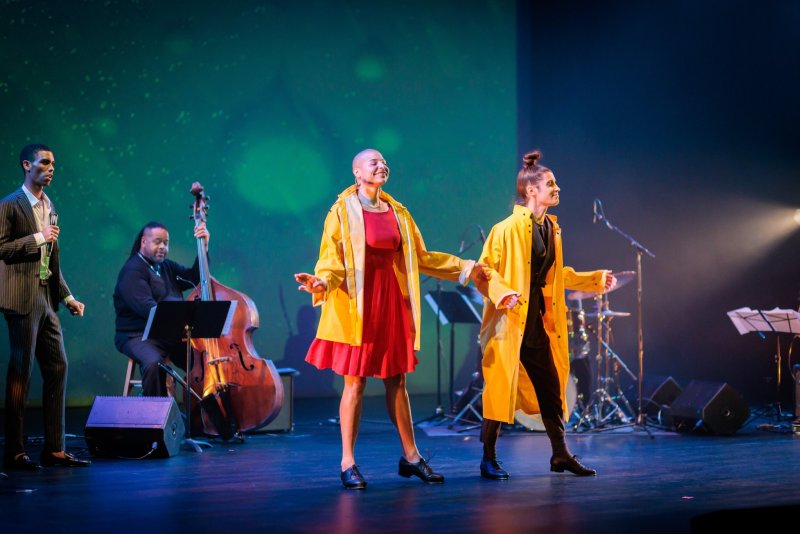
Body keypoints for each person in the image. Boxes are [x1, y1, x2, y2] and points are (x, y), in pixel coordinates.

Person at [294, 148, 487, 490]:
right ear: (357, 173)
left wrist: (467, 268)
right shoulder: (341, 211)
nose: (382, 165)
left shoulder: (398, 211)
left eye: (384, 162)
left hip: (391, 302)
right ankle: (348, 462)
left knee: (397, 381)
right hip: (359, 304)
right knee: (354, 382)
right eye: (374, 162)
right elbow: (330, 259)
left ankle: (411, 457)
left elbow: (422, 257)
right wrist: (322, 281)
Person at [475, 149, 616, 479]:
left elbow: (557, 276)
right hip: (509, 323)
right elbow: (484, 271)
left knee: (552, 388)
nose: (557, 189)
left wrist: (594, 280)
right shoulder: (506, 229)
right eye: (551, 184)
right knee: (499, 390)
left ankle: (560, 454)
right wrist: (502, 293)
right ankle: (488, 458)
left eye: (556, 184)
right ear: (531, 190)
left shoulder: (551, 229)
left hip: (537, 323)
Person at [0, 143, 88, 471]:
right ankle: (15, 450)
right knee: (20, 373)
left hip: (46, 298)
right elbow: (2, 248)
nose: (51, 169)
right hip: (21, 298)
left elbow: (52, 260)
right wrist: (38, 237)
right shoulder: (10, 205)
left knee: (58, 366)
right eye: (44, 163)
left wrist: (67, 297)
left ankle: (54, 449)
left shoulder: (49, 205)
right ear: (27, 164)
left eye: (53, 164)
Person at [113, 221, 208, 397]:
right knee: (153, 363)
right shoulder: (132, 271)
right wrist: (183, 318)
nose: (163, 247)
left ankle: (206, 415)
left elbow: (194, 277)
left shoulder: (166, 266)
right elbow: (148, 309)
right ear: (143, 242)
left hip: (168, 333)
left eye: (166, 242)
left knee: (202, 361)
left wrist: (204, 246)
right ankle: (154, 418)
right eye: (158, 242)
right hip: (138, 335)